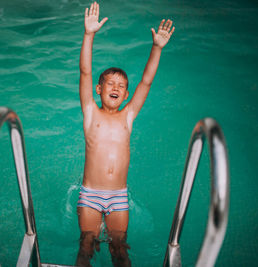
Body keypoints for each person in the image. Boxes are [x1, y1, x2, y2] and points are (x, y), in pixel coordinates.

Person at [76, 2, 175, 266]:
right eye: (111, 83)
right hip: (90, 194)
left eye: (121, 85)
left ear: (126, 95)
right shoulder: (90, 113)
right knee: (86, 243)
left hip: (119, 196)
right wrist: (89, 34)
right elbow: (85, 71)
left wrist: (157, 48)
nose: (116, 87)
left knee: (120, 248)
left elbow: (146, 81)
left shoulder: (128, 116)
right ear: (99, 89)